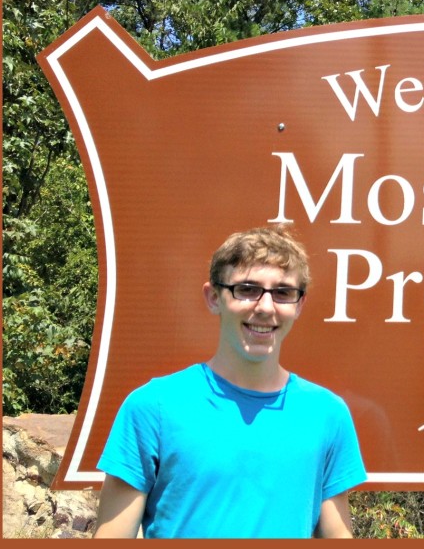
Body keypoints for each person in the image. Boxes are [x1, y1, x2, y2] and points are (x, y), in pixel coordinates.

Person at [93, 226, 367, 538]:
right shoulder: (152, 408)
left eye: (283, 293)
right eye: (247, 289)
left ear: (299, 305)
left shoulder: (327, 415)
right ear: (213, 298)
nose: (265, 307)